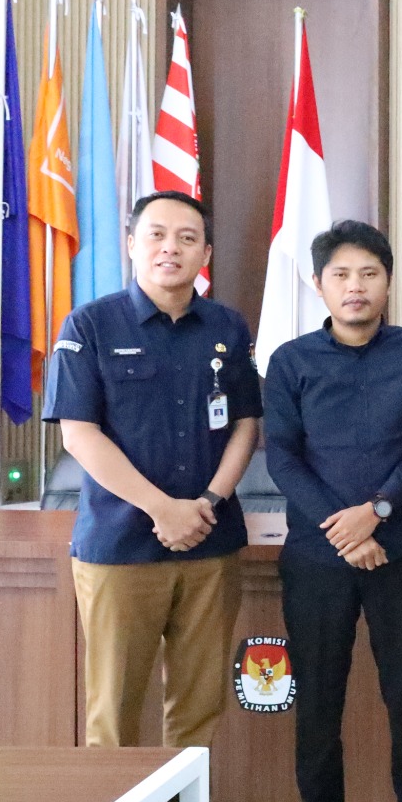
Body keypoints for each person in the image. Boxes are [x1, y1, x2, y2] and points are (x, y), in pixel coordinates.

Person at [44, 191, 261, 749]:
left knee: (198, 712)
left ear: (205, 253)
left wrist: (207, 504)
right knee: (114, 715)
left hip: (210, 543)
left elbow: (245, 425)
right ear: (131, 244)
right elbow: (78, 434)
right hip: (121, 545)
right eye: (157, 235)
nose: (171, 248)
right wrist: (163, 509)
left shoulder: (228, 327)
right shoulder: (91, 325)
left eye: (187, 238)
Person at [264, 221, 402, 802]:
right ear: (318, 284)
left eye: (369, 273)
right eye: (341, 275)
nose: (355, 286)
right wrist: (346, 530)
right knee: (319, 695)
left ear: (388, 282)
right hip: (318, 556)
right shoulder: (290, 361)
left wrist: (377, 510)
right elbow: (283, 458)